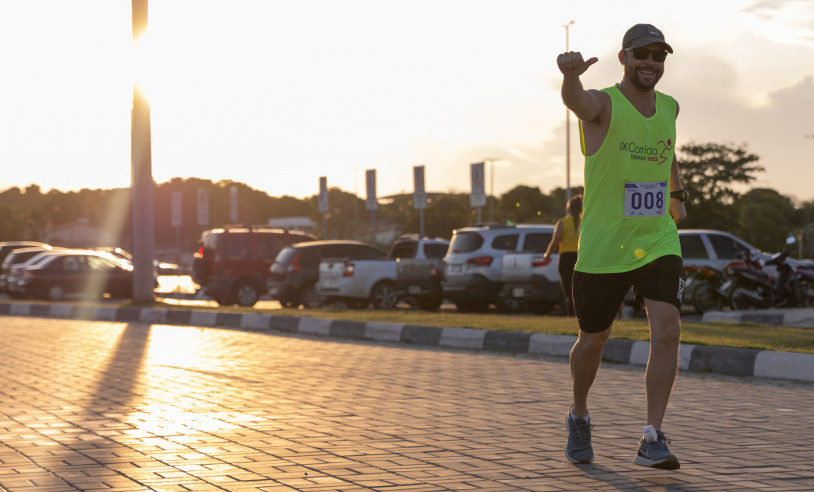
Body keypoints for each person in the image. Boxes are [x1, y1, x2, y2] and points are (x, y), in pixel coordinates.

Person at [556, 23, 689, 470]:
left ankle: (652, 437)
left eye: (659, 55)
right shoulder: (604, 104)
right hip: (604, 243)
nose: (651, 62)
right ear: (624, 58)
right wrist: (571, 77)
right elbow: (578, 101)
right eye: (642, 54)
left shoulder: (670, 106)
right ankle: (578, 414)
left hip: (656, 238)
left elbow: (667, 149)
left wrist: (677, 194)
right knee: (593, 341)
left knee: (668, 331)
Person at [544, 195, 582, 316]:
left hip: (566, 258)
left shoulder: (563, 222)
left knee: (568, 289)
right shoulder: (586, 221)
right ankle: (582, 314)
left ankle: (571, 314)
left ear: (569, 208)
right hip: (582, 258)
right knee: (580, 288)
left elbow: (555, 241)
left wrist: (547, 255)